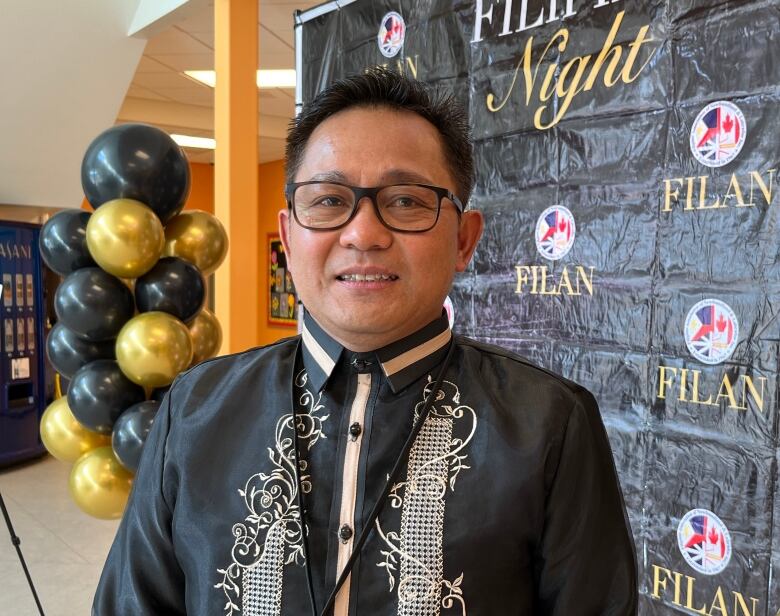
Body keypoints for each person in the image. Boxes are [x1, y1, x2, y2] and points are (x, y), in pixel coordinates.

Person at [94, 68, 637, 615]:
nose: (363, 233)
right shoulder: (196, 408)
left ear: (464, 240)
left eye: (405, 201)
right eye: (329, 200)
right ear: (288, 236)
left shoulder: (549, 423)